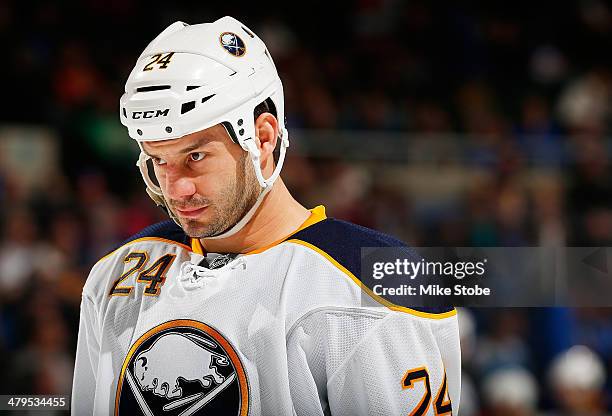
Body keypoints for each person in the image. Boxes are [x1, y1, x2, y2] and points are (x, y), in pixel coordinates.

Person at [71, 16, 460, 415]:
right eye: (159, 161)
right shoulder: (116, 273)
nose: (176, 189)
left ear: (262, 137)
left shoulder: (371, 280)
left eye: (195, 157)